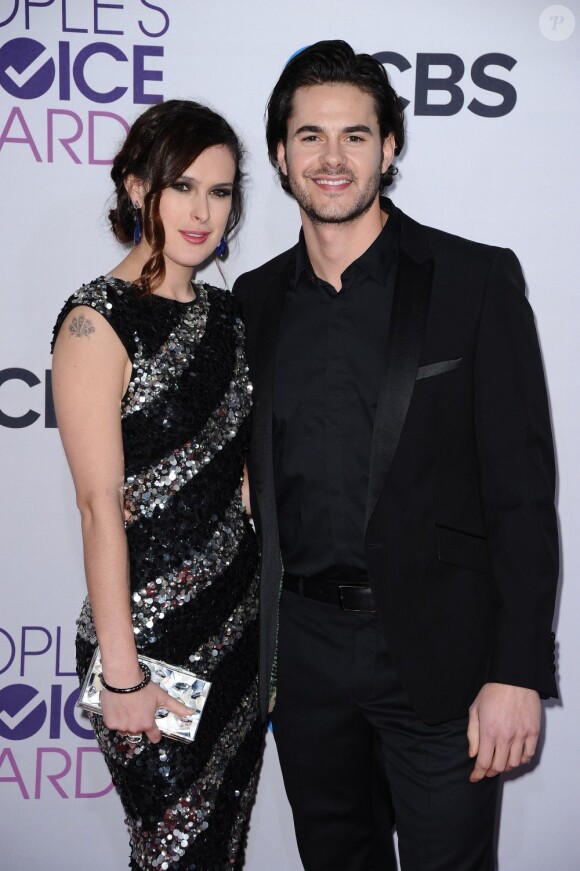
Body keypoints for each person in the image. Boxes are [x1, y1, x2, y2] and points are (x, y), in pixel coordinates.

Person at [233, 40, 559, 871]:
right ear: (280, 152)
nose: (331, 158)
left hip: (444, 660)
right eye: (309, 136)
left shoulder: (474, 280)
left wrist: (518, 670)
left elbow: (522, 495)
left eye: (354, 135)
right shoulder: (252, 301)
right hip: (303, 658)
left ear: (390, 146)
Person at [51, 99, 264, 870]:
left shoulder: (231, 318)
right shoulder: (94, 321)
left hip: (237, 631)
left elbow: (241, 485)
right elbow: (98, 507)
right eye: (183, 186)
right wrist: (122, 674)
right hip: (145, 646)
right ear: (137, 186)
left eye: (221, 190)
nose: (203, 211)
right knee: (178, 851)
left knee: (223, 850)